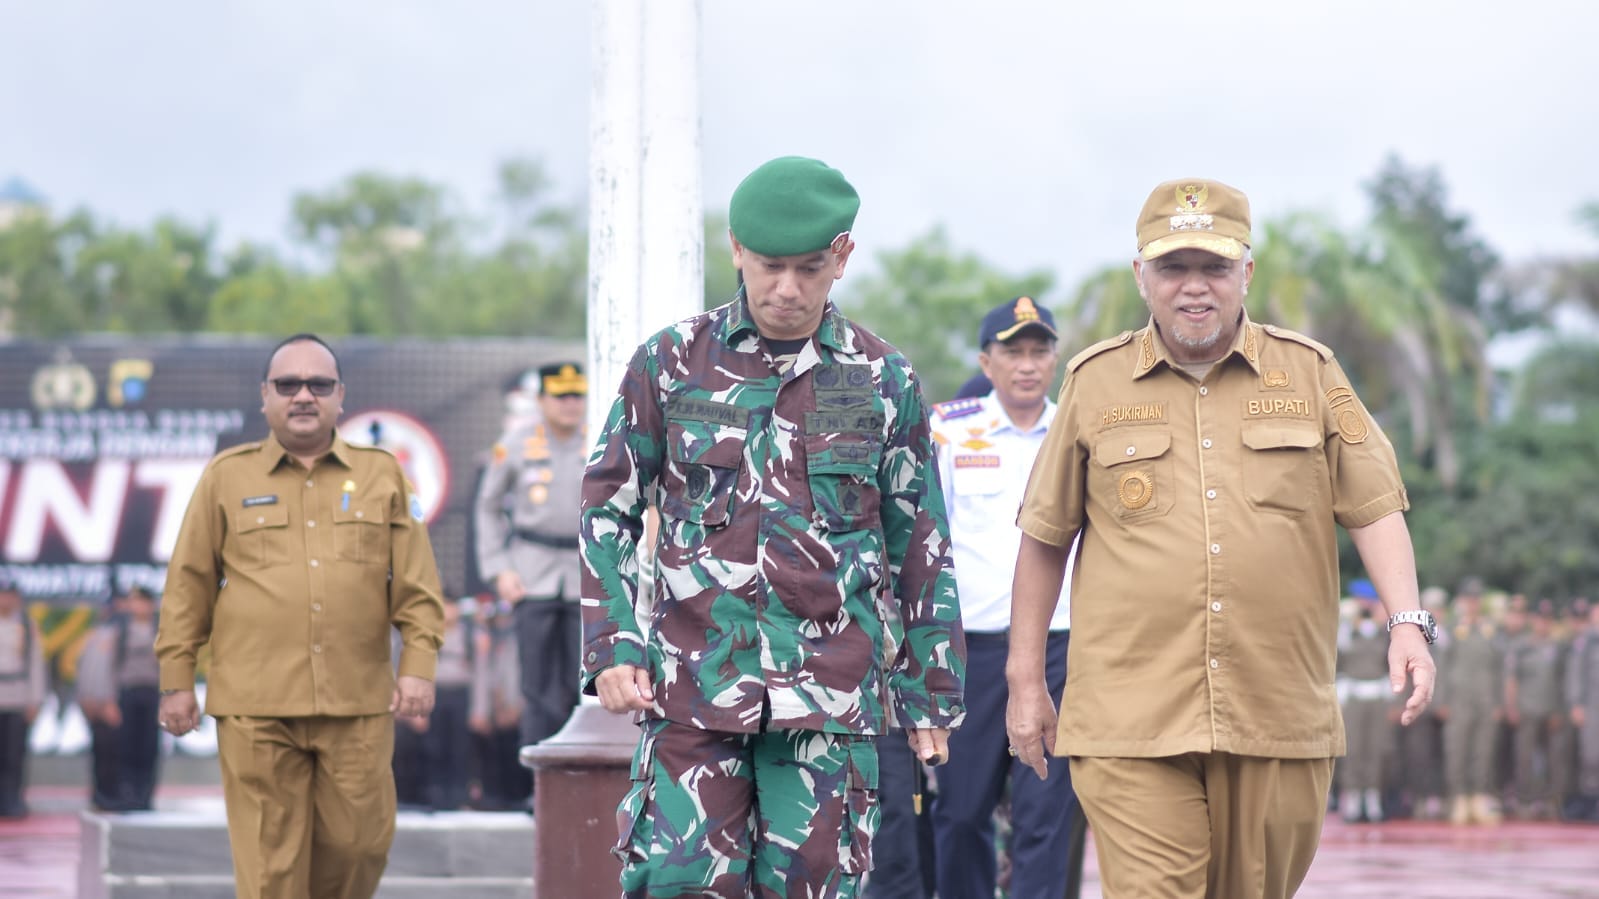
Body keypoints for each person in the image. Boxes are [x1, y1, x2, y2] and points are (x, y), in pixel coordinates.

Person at [1005, 178, 1437, 899]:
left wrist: (1406, 624)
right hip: (1127, 714)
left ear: (1247, 272)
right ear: (1141, 276)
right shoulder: (1094, 381)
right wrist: (1025, 680)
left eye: (1213, 267)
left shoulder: (1309, 371)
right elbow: (1045, 534)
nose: (1193, 288)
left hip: (1275, 707)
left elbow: (1372, 505)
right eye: (1173, 268)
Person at [581, 155, 967, 898]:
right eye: (768, 266)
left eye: (808, 267)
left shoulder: (883, 378)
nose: (786, 288)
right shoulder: (670, 363)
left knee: (817, 889)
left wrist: (929, 693)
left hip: (828, 697)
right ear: (735, 249)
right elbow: (608, 506)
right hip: (692, 687)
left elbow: (918, 539)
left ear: (842, 257)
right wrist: (613, 643)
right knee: (676, 884)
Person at [155, 333, 445, 899]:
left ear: (341, 396)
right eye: (288, 385)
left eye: (319, 385)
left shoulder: (383, 474)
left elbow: (417, 584)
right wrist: (175, 681)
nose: (303, 396)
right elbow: (187, 586)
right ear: (265, 396)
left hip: (357, 700)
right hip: (256, 705)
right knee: (270, 867)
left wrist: (418, 664)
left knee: (361, 845)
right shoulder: (226, 477)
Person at [929, 296, 1079, 898]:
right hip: (975, 653)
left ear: (1055, 359)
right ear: (985, 362)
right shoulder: (950, 430)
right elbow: (925, 542)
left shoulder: (1077, 428)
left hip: (1062, 648)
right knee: (962, 811)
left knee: (1046, 817)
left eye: (1038, 351)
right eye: (1012, 352)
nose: (1026, 364)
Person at [474, 362, 588, 756]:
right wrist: (498, 568)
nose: (570, 404)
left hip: (583, 573)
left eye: (577, 395)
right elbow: (487, 507)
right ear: (541, 400)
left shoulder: (600, 440)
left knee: (584, 681)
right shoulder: (516, 442)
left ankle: (581, 774)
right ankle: (539, 784)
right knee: (536, 686)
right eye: (561, 396)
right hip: (531, 570)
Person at [76, 586, 163, 811]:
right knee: (125, 746)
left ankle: (145, 795)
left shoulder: (161, 628)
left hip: (153, 692)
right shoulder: (117, 629)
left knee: (149, 746)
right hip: (126, 692)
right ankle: (126, 793)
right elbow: (106, 667)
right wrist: (107, 699)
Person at [1436, 578, 1506, 825]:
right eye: (1469, 598)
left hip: (1485, 699)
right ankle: (1458, 798)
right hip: (1459, 699)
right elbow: (1442, 667)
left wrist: (1499, 701)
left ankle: (1478, 796)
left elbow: (1500, 668)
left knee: (1483, 750)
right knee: (1457, 749)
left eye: (1477, 599)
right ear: (1463, 601)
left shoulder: (1490, 630)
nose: (1473, 603)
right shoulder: (1453, 630)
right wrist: (1441, 699)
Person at [1504, 601, 1566, 819]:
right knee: (1524, 756)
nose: (1543, 623)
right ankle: (1525, 800)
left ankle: (1551, 800)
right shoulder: (1522, 646)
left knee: (1554, 757)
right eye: (1540, 619)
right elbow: (1512, 678)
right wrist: (1511, 706)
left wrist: (1559, 710)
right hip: (1526, 708)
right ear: (1533, 620)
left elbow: (1561, 681)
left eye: (1547, 620)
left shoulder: (1558, 647)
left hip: (1550, 709)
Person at [1335, 587, 1393, 823]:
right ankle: (1352, 796)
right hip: (1355, 695)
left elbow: (1388, 664)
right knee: (1354, 748)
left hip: (1377, 695)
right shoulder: (1347, 634)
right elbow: (1338, 663)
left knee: (1376, 749)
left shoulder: (1383, 634)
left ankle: (1372, 796)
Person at [0, 581, 46, 820]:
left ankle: (12, 800)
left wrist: (35, 699)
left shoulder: (26, 625)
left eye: (10, 596)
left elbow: (36, 664)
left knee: (14, 753)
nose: (6, 601)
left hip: (17, 694)